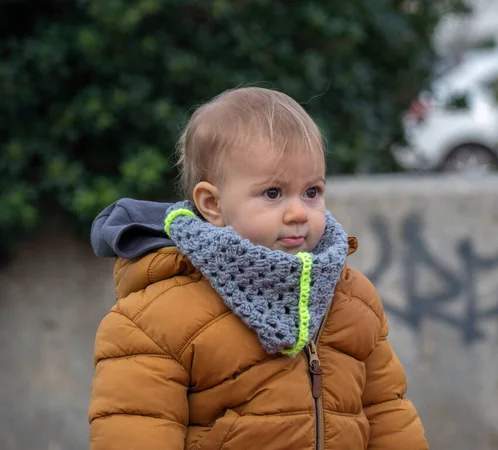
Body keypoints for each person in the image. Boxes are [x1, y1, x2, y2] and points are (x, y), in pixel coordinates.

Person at [88, 87, 428, 450]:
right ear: (213, 204)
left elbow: (387, 410)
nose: (299, 212)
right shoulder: (153, 320)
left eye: (311, 191)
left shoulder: (351, 297)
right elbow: (136, 432)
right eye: (273, 193)